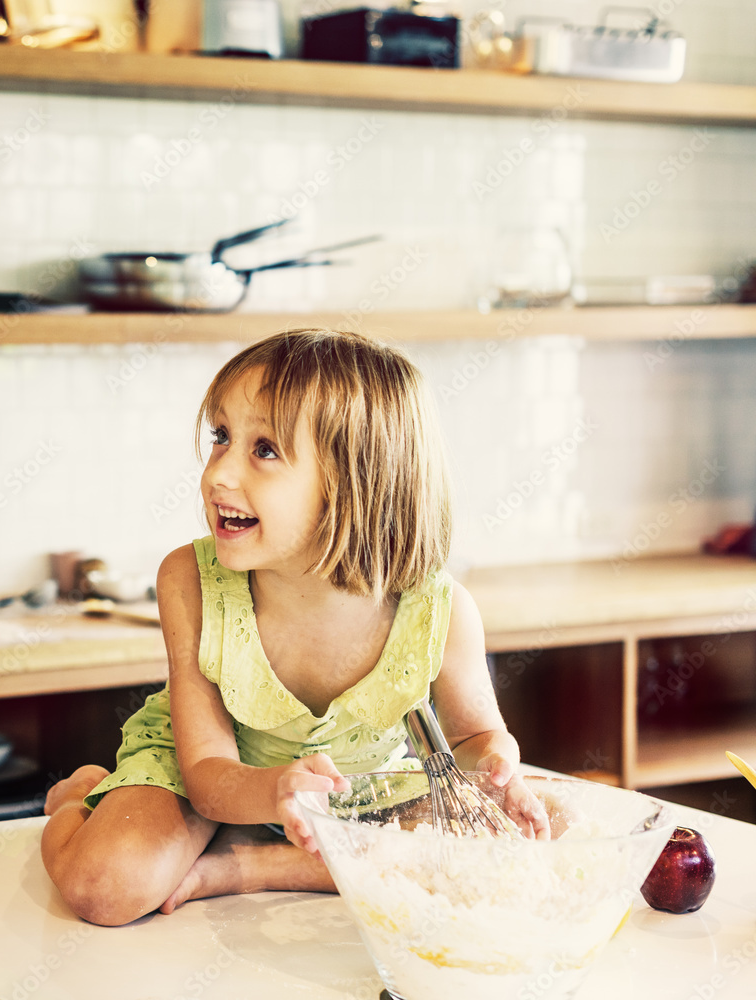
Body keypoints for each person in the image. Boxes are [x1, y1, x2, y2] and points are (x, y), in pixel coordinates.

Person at [41, 328, 550, 927]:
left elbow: (470, 740)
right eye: (221, 437)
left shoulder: (441, 609)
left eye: (263, 450)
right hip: (216, 774)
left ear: (358, 483)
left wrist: (494, 765)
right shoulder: (189, 582)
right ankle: (82, 795)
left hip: (357, 794)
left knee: (512, 847)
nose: (217, 475)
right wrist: (272, 791)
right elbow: (206, 773)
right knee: (106, 887)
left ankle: (247, 866)